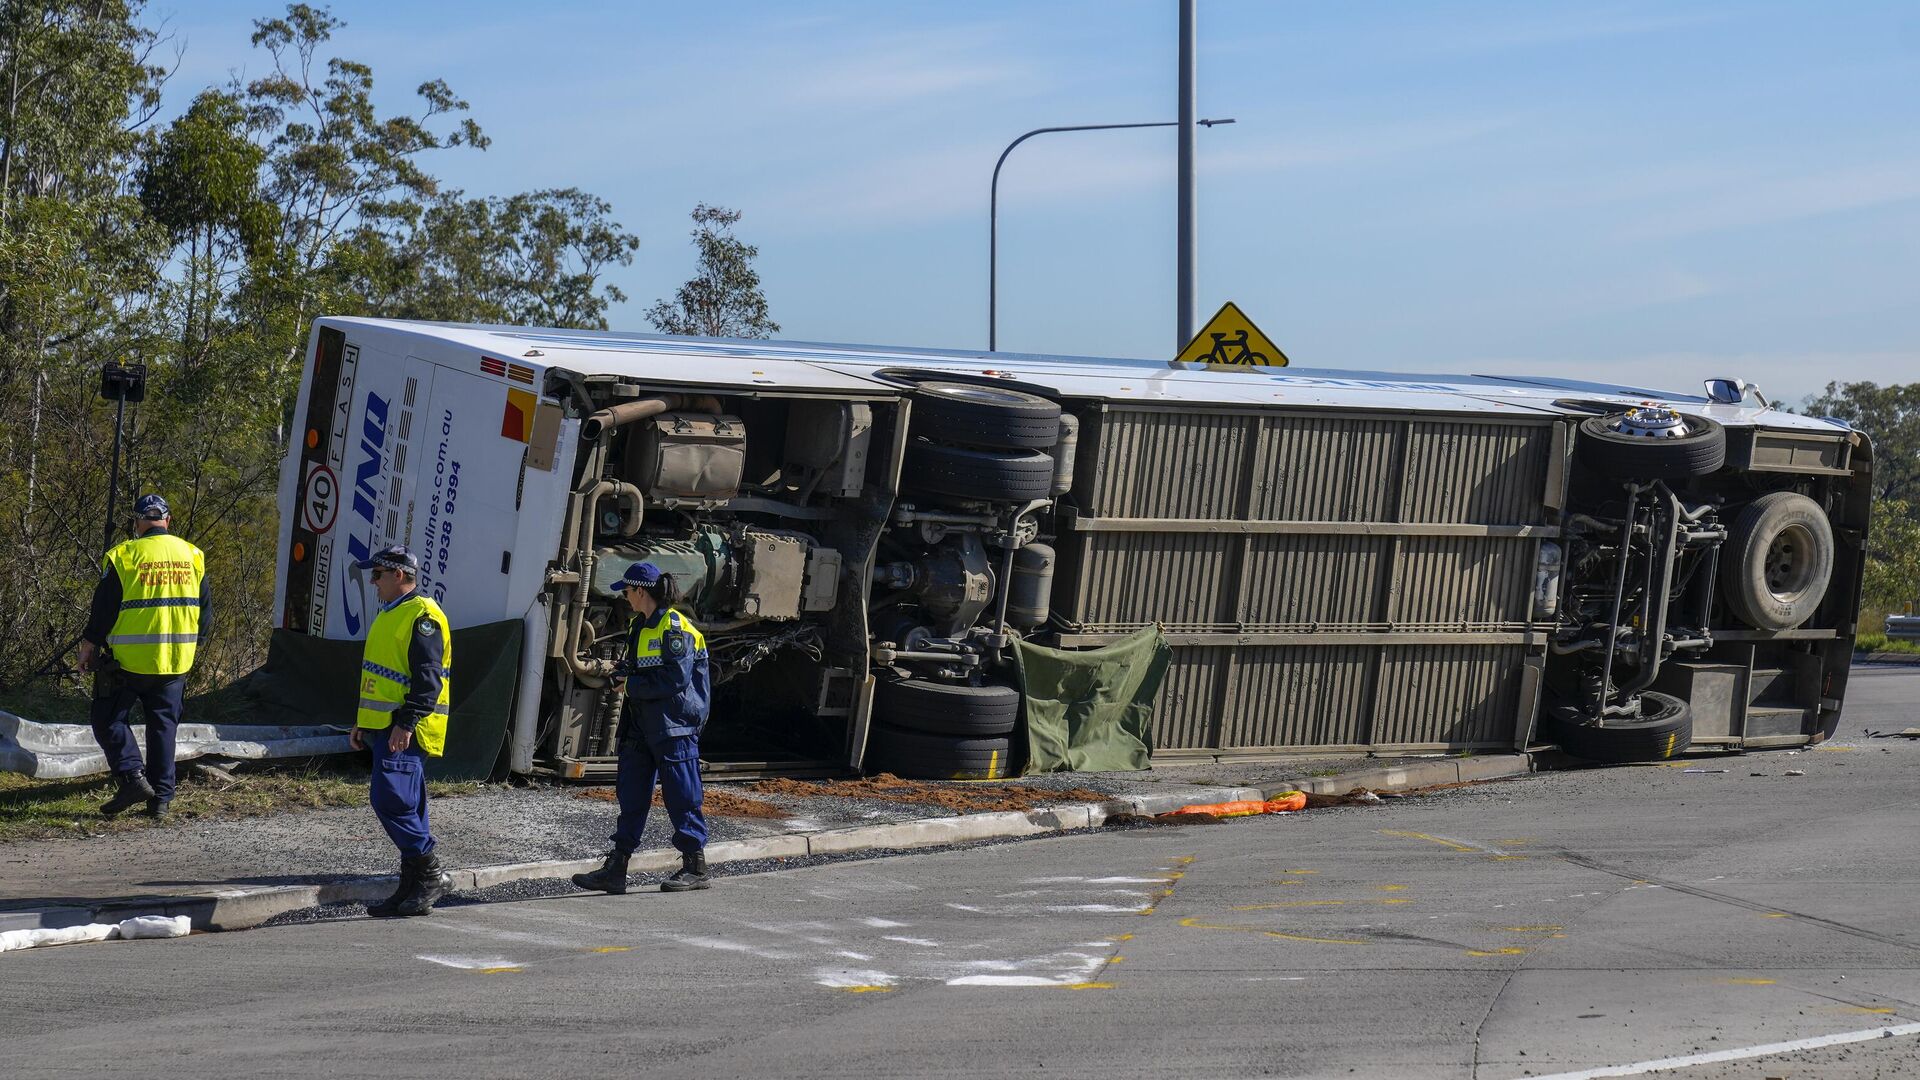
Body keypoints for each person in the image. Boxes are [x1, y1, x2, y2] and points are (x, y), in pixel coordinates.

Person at [574, 562, 713, 895]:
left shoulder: (674, 627)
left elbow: (675, 679)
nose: (624, 596)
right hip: (642, 724)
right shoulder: (640, 625)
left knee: (682, 795)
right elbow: (639, 667)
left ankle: (695, 867)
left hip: (673, 726)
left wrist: (630, 685)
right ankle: (616, 868)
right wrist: (620, 671)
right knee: (631, 796)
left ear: (640, 591)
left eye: (627, 590)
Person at [77, 494, 208, 818]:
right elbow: (205, 613)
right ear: (168, 520)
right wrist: (196, 641)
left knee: (107, 718)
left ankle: (133, 776)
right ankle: (161, 799)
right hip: (176, 661)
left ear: (137, 523)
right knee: (163, 726)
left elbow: (103, 609)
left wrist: (89, 645)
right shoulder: (192, 555)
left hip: (130, 662)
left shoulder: (124, 556)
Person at [351, 544, 454, 918]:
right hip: (386, 726)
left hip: (406, 730)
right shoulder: (393, 612)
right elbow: (381, 676)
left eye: (377, 574)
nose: (373, 582)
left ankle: (430, 872)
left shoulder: (422, 616)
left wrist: (405, 723)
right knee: (407, 805)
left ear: (399, 575)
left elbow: (428, 681)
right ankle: (412, 886)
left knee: (389, 801)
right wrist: (364, 722)